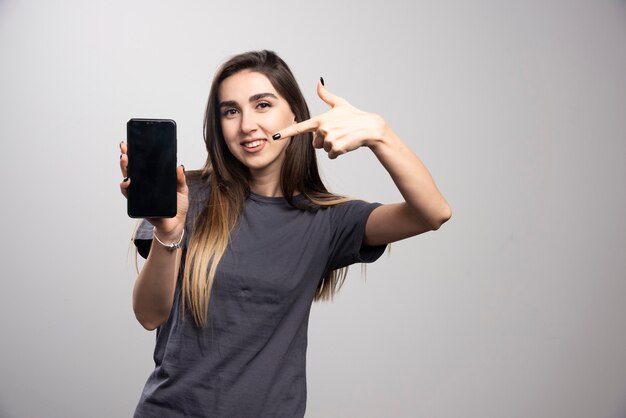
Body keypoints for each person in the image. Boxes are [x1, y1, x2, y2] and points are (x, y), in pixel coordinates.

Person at [119, 50, 451, 418]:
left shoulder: (328, 221)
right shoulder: (185, 196)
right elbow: (149, 315)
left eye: (262, 105)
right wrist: (169, 230)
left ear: (294, 112)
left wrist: (380, 134)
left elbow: (433, 213)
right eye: (231, 111)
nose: (246, 125)